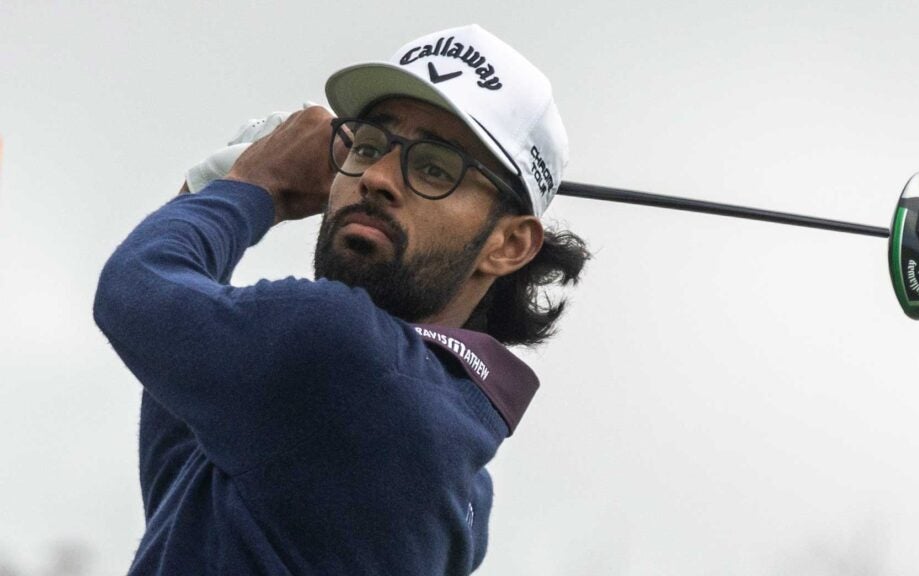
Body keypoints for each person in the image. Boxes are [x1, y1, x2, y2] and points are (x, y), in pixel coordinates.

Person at [93, 24, 589, 575]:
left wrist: (252, 185)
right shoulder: (467, 480)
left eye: (433, 168)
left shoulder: (341, 353)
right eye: (369, 146)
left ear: (509, 243)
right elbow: (178, 491)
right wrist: (220, 188)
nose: (376, 177)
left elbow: (136, 286)